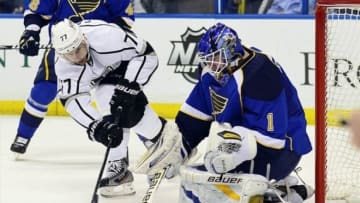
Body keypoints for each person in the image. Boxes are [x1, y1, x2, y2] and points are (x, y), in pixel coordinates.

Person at [135, 22, 314, 202]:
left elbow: (272, 140)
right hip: (241, 144)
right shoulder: (211, 73)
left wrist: (234, 152)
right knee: (202, 175)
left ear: (230, 51)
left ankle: (278, 190)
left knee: (215, 185)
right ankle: (284, 189)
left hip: (282, 151)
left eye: (215, 58)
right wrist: (177, 151)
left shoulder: (261, 74)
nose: (210, 64)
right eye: (207, 59)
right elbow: (193, 120)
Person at [50, 19, 166, 197]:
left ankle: (160, 142)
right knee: (111, 117)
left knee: (119, 105)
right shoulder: (63, 65)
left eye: (78, 49)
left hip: (127, 63)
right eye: (69, 54)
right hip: (105, 75)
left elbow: (147, 54)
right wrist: (96, 126)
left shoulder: (107, 37)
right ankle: (156, 144)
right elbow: (73, 99)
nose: (77, 57)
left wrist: (130, 86)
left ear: (84, 39)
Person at [11, 0, 134, 155]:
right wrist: (31, 32)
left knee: (117, 99)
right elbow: (38, 13)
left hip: (101, 49)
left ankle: (144, 141)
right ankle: (22, 136)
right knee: (43, 90)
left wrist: (103, 37)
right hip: (65, 51)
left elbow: (124, 19)